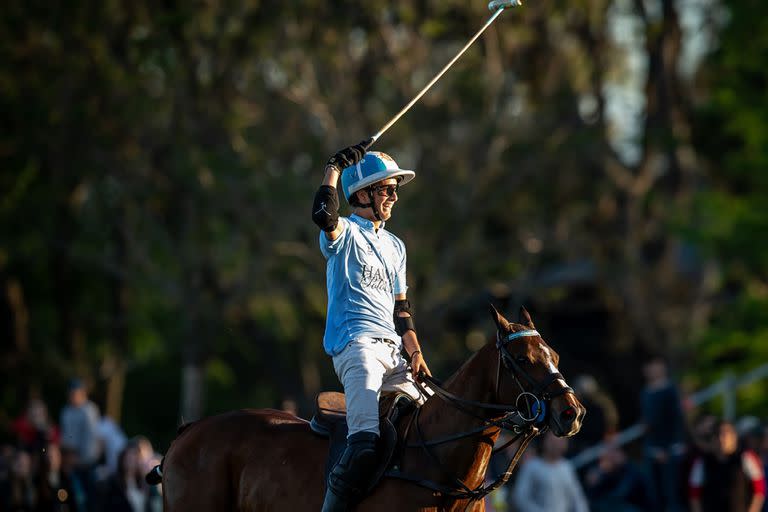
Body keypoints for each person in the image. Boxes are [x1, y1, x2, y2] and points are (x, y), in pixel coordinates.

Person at [311, 140, 431, 512]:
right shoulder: (344, 232)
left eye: (396, 190)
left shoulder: (396, 246)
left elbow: (403, 313)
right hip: (356, 346)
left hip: (395, 353)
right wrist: (333, 168)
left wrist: (416, 353)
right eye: (388, 189)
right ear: (363, 194)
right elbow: (323, 216)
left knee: (432, 431)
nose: (395, 196)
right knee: (364, 443)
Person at [640, 355, 686, 511]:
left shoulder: (670, 390)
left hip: (670, 449)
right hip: (653, 449)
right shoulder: (646, 392)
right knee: (656, 495)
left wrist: (668, 447)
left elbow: (675, 420)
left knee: (672, 494)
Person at [689, 419, 765, 512]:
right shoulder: (703, 461)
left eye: (727, 433)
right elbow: (694, 494)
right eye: (719, 434)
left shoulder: (746, 457)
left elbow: (759, 491)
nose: (722, 438)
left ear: (735, 436)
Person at [511, 431, 589, 512]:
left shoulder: (566, 467)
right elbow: (520, 498)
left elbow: (577, 499)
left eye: (560, 441)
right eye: (552, 441)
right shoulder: (531, 466)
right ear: (544, 441)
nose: (556, 445)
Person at [584, 441, 651, 512]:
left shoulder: (632, 471)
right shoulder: (606, 474)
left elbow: (621, 494)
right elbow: (594, 498)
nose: (610, 458)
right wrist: (596, 480)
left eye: (613, 453)